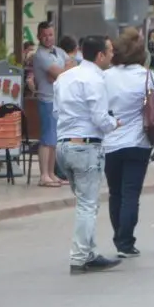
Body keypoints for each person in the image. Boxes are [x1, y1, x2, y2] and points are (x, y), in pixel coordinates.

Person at [53, 35, 121, 275]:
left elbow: (55, 112)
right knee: (87, 204)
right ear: (100, 55)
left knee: (85, 202)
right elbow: (100, 118)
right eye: (110, 51)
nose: (113, 55)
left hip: (64, 146)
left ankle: (89, 252)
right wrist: (115, 123)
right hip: (86, 146)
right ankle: (81, 256)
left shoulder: (63, 78)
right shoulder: (95, 79)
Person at [103, 27, 154, 259]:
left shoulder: (106, 76)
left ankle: (118, 237)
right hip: (138, 143)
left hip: (110, 143)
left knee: (115, 193)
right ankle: (125, 242)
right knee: (131, 193)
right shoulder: (147, 76)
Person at [34, 21, 77, 187]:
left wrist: (59, 74)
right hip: (47, 99)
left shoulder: (59, 51)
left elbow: (72, 67)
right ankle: (44, 175)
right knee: (47, 138)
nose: (47, 38)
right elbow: (58, 74)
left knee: (54, 139)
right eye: (44, 35)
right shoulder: (40, 55)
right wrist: (60, 74)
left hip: (59, 100)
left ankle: (51, 173)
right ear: (39, 36)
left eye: (50, 34)